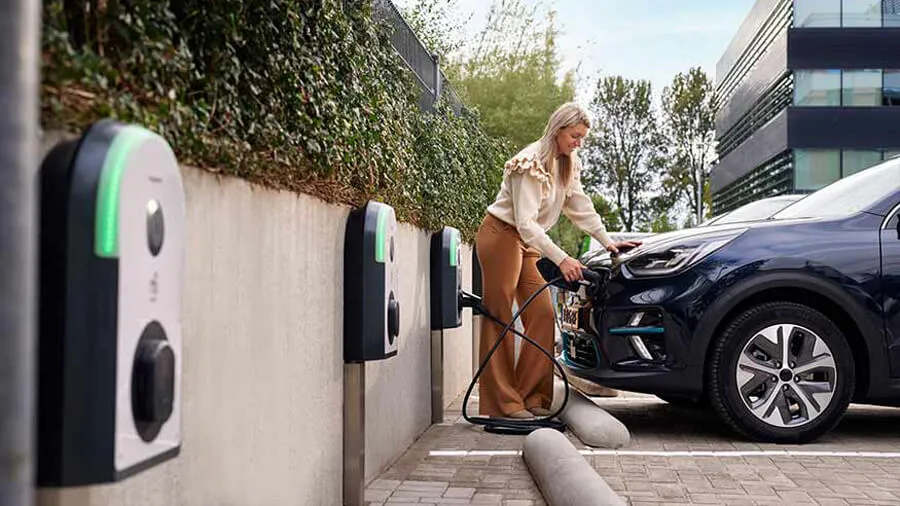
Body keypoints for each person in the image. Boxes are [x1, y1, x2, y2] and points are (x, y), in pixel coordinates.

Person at [475, 102, 640, 420]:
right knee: (500, 318)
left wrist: (609, 243)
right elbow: (525, 222)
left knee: (542, 314)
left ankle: (533, 396)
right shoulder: (530, 163)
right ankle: (501, 404)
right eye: (575, 136)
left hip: (526, 242)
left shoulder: (567, 162)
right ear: (558, 130)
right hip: (502, 236)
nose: (578, 143)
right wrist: (563, 259)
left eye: (582, 138)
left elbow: (579, 204)